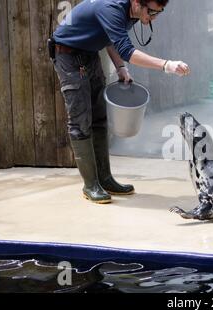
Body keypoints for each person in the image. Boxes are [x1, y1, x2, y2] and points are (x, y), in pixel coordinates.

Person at [50, 0, 190, 204]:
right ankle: (91, 185)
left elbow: (110, 38)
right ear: (135, 2)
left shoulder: (132, 12)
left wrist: (120, 68)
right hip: (68, 53)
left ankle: (105, 179)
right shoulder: (112, 7)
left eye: (158, 14)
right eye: (151, 12)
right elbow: (126, 49)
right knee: (80, 121)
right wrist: (166, 65)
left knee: (99, 117)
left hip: (88, 53)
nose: (153, 18)